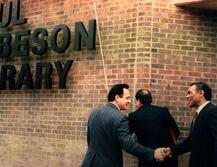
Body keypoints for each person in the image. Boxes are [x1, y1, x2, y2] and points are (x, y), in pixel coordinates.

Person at [81, 84, 166, 167]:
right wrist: (153, 153)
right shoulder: (121, 118)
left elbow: (90, 140)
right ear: (117, 98)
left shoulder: (94, 112)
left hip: (89, 162)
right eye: (127, 98)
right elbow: (128, 144)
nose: (129, 101)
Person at [165, 82, 217, 167]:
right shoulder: (198, 115)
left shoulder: (213, 112)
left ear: (201, 93)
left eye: (189, 93)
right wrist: (170, 150)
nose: (187, 96)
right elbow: (191, 142)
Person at [128, 89, 180, 167]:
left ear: (138, 101)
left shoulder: (133, 116)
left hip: (148, 159)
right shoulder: (164, 111)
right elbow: (176, 131)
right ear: (150, 99)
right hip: (166, 157)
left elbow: (127, 137)